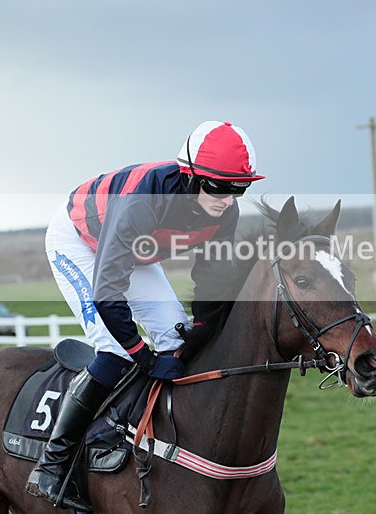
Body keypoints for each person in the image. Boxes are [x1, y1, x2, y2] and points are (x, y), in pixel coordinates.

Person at [25, 121, 265, 510]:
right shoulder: (142, 202)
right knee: (115, 350)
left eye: (240, 188)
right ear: (190, 176)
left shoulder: (226, 211)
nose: (228, 198)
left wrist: (198, 332)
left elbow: (210, 277)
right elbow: (108, 292)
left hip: (131, 251)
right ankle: (52, 464)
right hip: (81, 242)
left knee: (176, 339)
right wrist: (141, 353)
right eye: (220, 186)